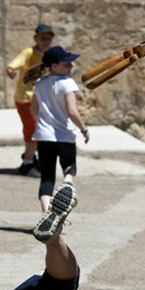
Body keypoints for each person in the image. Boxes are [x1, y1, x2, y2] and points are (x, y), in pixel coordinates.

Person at [31, 46, 90, 213]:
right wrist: (84, 130)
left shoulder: (39, 84)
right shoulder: (68, 83)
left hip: (44, 137)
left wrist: (46, 116)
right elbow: (72, 111)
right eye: (66, 65)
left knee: (47, 178)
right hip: (64, 135)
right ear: (54, 66)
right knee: (69, 166)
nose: (71, 67)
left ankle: (46, 214)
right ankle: (68, 183)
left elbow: (33, 110)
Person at [6, 24, 54, 177]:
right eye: (42, 38)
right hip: (26, 99)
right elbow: (14, 65)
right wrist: (11, 70)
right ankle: (28, 164)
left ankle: (31, 159)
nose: (46, 41)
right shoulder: (29, 53)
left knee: (40, 131)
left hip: (42, 100)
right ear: (36, 38)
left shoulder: (51, 56)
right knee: (34, 131)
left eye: (49, 38)